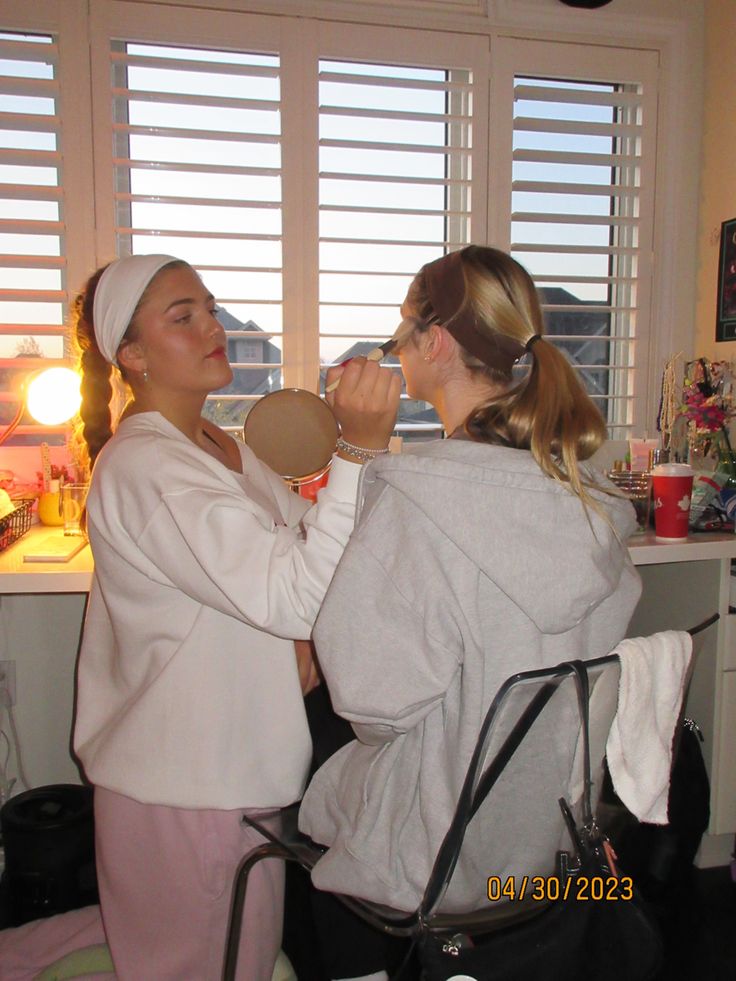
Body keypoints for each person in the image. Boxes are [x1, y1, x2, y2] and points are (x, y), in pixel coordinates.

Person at [0, 254, 400, 981]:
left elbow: (307, 558)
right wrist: (358, 446)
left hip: (226, 767)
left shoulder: (221, 448)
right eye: (182, 315)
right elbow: (295, 591)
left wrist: (305, 628)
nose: (212, 325)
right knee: (213, 963)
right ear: (132, 353)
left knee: (194, 943)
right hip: (187, 782)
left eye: (209, 307)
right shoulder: (148, 466)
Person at [297, 246, 643, 981]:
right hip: (549, 842)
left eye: (402, 329)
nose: (394, 345)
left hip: (447, 850)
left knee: (306, 758)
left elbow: (370, 702)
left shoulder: (423, 499)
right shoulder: (591, 500)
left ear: (437, 342)